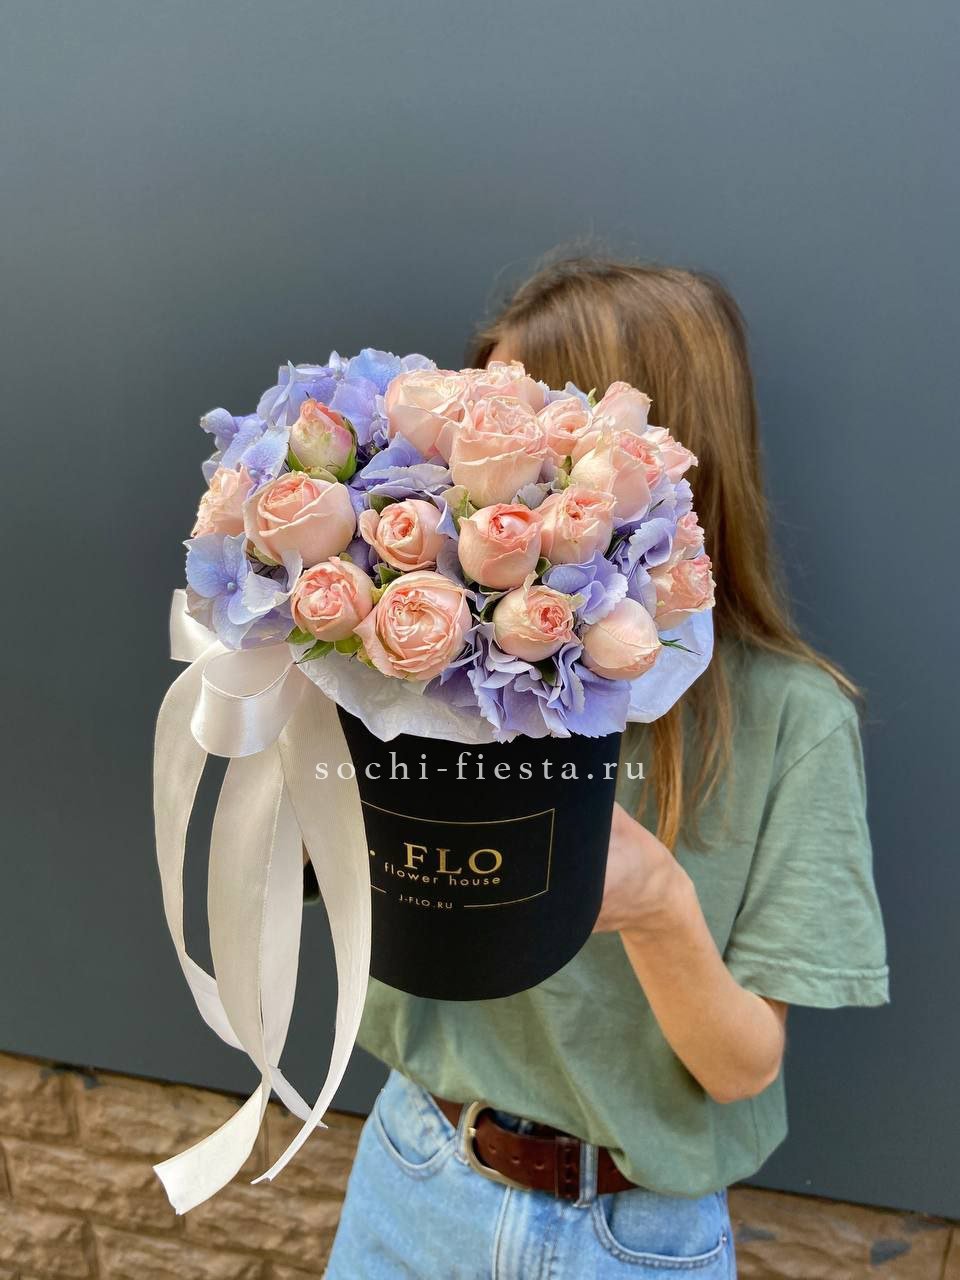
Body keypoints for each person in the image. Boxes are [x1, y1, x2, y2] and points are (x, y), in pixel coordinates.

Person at [321, 256, 889, 1279]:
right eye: (466, 431)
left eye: (517, 440)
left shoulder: (789, 722)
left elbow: (742, 1068)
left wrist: (660, 907)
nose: (471, 474)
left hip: (635, 1241)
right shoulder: (422, 663)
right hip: (415, 1175)